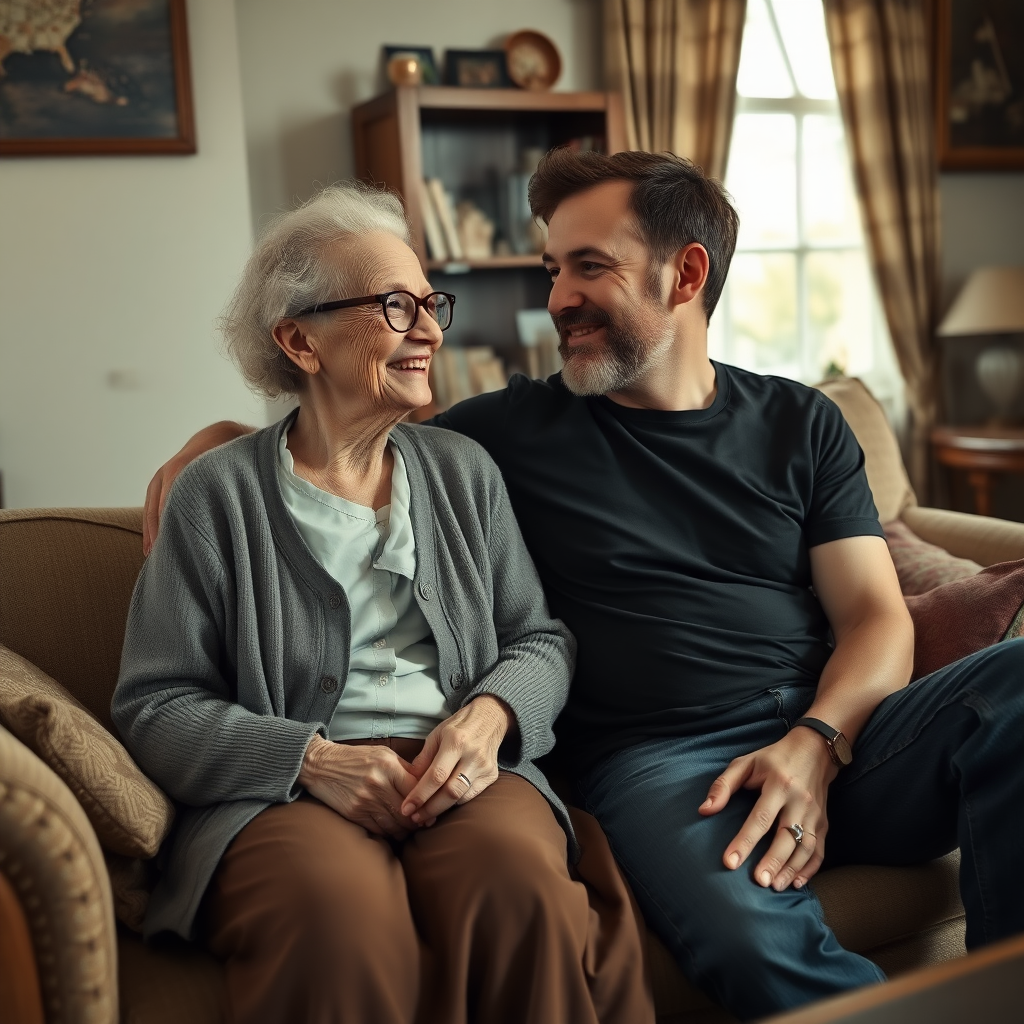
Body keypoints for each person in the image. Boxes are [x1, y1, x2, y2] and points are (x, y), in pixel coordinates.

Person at [143, 152, 1024, 1022]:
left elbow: (874, 618)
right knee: (748, 935)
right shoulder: (508, 433)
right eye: (551, 268)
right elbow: (345, 432)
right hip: (666, 764)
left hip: (833, 734)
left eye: (589, 266)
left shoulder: (804, 422)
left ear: (685, 274)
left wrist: (815, 743)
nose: (557, 295)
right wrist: (218, 441)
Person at [112, 182, 651, 1024]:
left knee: (519, 890)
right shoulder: (217, 495)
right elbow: (155, 706)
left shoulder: (462, 470)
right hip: (286, 792)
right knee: (336, 917)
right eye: (395, 305)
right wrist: (311, 759)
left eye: (430, 302)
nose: (431, 328)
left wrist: (492, 720)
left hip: (461, 771)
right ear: (299, 340)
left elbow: (538, 640)